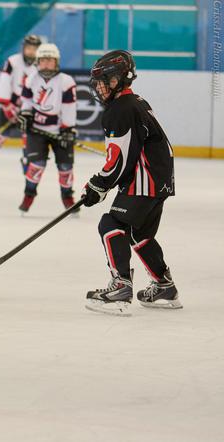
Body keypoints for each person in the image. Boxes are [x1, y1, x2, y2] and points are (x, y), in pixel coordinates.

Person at [82, 50, 181, 316]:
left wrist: (97, 185)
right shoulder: (135, 102)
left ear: (119, 79)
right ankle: (164, 286)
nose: (99, 87)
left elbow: (119, 161)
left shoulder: (120, 109)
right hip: (158, 180)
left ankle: (120, 286)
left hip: (144, 179)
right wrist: (103, 184)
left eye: (105, 80)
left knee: (110, 224)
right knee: (141, 234)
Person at [16, 43, 78, 213]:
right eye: (43, 60)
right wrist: (26, 115)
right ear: (37, 61)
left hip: (60, 131)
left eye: (49, 60)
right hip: (37, 131)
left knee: (66, 167)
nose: (46, 64)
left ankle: (67, 197)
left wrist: (67, 129)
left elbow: (69, 107)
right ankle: (28, 195)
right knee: (36, 163)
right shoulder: (31, 79)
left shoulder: (66, 81)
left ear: (56, 62)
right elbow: (27, 102)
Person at [0, 34, 41, 172]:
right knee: (2, 134)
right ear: (24, 48)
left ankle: (26, 160)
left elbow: (42, 87)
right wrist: (6, 105)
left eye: (34, 49)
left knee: (28, 135)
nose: (31, 51)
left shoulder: (41, 64)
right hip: (11, 104)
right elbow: (4, 81)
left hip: (28, 105)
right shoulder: (12, 61)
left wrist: (33, 105)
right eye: (29, 48)